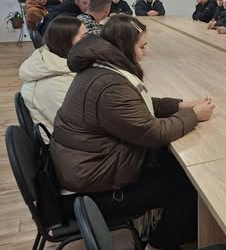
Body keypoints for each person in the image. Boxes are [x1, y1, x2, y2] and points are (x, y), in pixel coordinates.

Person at [50, 15, 215, 250]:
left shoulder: (101, 69)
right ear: (125, 46)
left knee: (171, 163)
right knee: (188, 187)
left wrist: (181, 105)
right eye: (142, 46)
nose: (146, 52)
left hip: (87, 170)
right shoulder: (110, 85)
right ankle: (158, 245)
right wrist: (194, 115)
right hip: (93, 190)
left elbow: (135, 104)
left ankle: (175, 228)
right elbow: (153, 133)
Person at [19, 16, 87, 132]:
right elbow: (80, 124)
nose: (89, 41)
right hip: (66, 139)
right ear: (66, 41)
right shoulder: (56, 84)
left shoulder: (56, 61)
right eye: (84, 37)